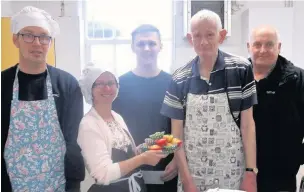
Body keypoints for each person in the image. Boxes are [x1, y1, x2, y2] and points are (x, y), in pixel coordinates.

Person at [160, 9, 258, 192]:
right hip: (193, 175)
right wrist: (187, 182)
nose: (203, 42)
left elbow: (247, 126)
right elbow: (175, 138)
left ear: (221, 36)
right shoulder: (179, 78)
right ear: (190, 39)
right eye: (197, 36)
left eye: (210, 35)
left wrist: (250, 173)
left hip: (232, 174)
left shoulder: (241, 69)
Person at [1, 6, 85, 192]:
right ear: (16, 39)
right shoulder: (3, 84)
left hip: (58, 184)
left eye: (44, 37)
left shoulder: (67, 84)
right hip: (11, 184)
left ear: (50, 42)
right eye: (28, 35)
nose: (37, 43)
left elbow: (74, 139)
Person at [77, 63, 167, 192]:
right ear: (89, 89)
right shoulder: (89, 125)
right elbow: (103, 174)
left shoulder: (117, 117)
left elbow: (125, 154)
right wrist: (142, 159)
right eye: (99, 84)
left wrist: (143, 150)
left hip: (132, 186)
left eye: (111, 82)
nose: (107, 88)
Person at [112, 24, 178, 192]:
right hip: (129, 172)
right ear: (133, 47)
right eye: (141, 44)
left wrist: (176, 159)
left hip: (166, 171)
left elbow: (178, 128)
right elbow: (113, 130)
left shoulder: (173, 84)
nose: (146, 48)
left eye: (152, 43)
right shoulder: (119, 85)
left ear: (160, 46)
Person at [247, 25, 304, 192]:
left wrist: (296, 156)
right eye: (257, 44)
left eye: (269, 44)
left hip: (281, 178)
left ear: (279, 47)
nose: (263, 50)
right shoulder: (237, 78)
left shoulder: (297, 80)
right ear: (248, 47)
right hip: (241, 174)